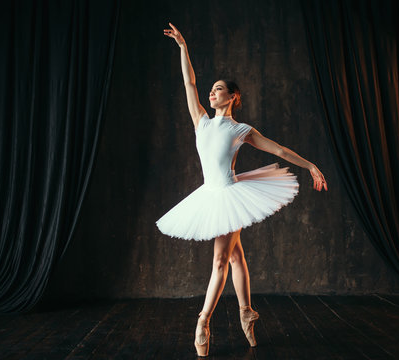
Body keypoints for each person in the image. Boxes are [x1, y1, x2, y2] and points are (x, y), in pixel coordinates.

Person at [159, 23, 328, 357]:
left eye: (218, 89)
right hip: (210, 194)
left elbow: (278, 150)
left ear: (233, 96)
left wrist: (309, 165)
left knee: (221, 260)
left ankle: (203, 321)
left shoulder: (241, 129)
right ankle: (246, 312)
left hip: (231, 195)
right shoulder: (201, 121)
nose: (211, 92)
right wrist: (182, 47)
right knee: (235, 257)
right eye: (211, 90)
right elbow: (189, 82)